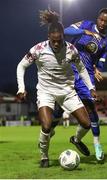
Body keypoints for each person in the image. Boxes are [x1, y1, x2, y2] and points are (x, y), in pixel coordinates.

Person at [16, 21, 98, 168]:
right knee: (46, 126)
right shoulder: (38, 49)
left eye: (59, 40)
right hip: (45, 92)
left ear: (63, 37)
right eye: (53, 41)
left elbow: (82, 69)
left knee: (86, 124)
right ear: (48, 37)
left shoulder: (71, 50)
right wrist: (21, 88)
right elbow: (21, 65)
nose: (56, 44)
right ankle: (44, 156)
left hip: (67, 92)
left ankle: (76, 139)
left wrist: (91, 87)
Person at [40, 8, 107, 162]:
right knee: (59, 108)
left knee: (91, 108)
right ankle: (50, 131)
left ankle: (96, 144)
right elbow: (66, 31)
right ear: (98, 18)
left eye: (106, 21)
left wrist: (97, 70)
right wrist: (83, 32)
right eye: (101, 19)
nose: (102, 23)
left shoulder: (106, 43)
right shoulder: (86, 24)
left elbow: (100, 63)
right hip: (68, 70)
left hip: (85, 74)